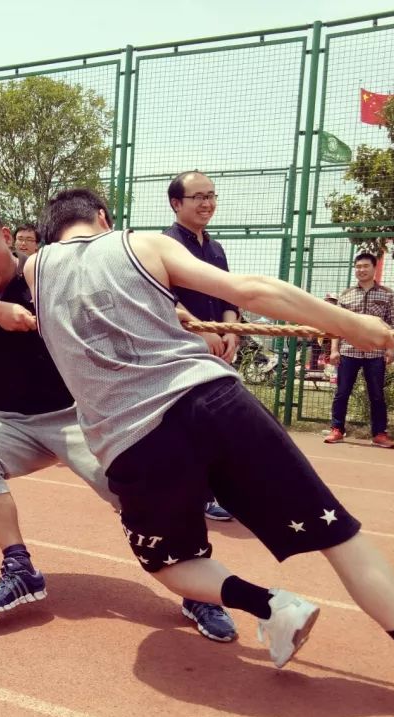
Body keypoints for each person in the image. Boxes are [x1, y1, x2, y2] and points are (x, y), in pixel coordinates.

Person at [26, 188, 394, 717]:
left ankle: (270, 603)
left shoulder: (36, 269)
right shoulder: (138, 244)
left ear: (51, 230)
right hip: (211, 401)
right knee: (340, 537)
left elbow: (91, 301)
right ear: (104, 218)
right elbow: (250, 288)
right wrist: (355, 327)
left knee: (169, 564)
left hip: (134, 441)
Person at [0, 199, 238, 640]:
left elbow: (128, 300)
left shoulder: (44, 272)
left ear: (6, 237)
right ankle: (20, 568)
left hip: (79, 417)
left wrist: (194, 324)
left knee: (136, 494)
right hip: (13, 425)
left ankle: (199, 591)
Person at [162, 171, 239, 522]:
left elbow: (229, 294)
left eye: (212, 195)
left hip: (217, 348)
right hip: (180, 350)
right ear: (176, 203)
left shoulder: (216, 248)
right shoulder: (165, 245)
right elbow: (162, 298)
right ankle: (201, 495)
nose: (207, 203)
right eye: (198, 197)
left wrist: (232, 329)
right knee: (192, 424)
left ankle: (211, 490)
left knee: (215, 423)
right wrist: (202, 329)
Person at [324, 252, 394, 448]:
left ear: (374, 269)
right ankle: (337, 429)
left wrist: (390, 349)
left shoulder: (387, 294)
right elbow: (336, 326)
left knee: (376, 395)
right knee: (342, 392)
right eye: (358, 267)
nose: (361, 270)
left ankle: (379, 434)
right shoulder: (346, 295)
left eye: (365, 266)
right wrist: (334, 350)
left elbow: (393, 325)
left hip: (375, 354)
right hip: (349, 351)